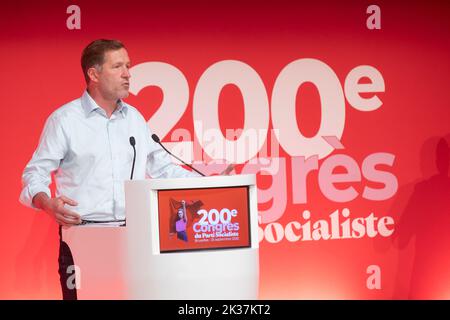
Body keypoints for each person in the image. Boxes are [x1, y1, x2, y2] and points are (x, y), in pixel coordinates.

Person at [19, 39, 200, 299]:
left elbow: (163, 169)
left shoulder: (135, 119)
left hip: (133, 238)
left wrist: (210, 182)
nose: (128, 74)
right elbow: (33, 174)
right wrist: (47, 203)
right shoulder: (65, 120)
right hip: (82, 237)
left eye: (128, 66)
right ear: (94, 74)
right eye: (118, 66)